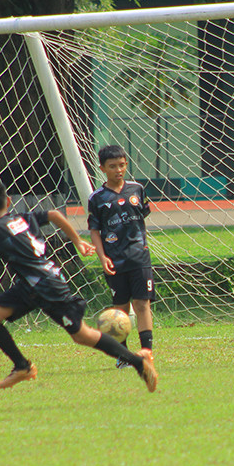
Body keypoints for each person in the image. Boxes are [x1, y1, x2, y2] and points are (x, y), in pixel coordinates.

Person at [0, 180, 158, 391]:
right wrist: (77, 240)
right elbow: (55, 215)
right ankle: (22, 366)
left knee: (82, 335)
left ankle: (138, 362)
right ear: (8, 201)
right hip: (33, 285)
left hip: (47, 286)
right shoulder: (21, 218)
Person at [88, 145, 155, 367]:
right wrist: (102, 257)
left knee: (142, 303)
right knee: (120, 310)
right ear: (102, 168)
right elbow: (95, 230)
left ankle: (146, 352)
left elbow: (142, 218)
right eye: (112, 166)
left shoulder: (137, 189)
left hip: (139, 257)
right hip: (115, 260)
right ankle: (123, 356)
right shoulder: (97, 198)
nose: (118, 170)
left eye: (122, 165)